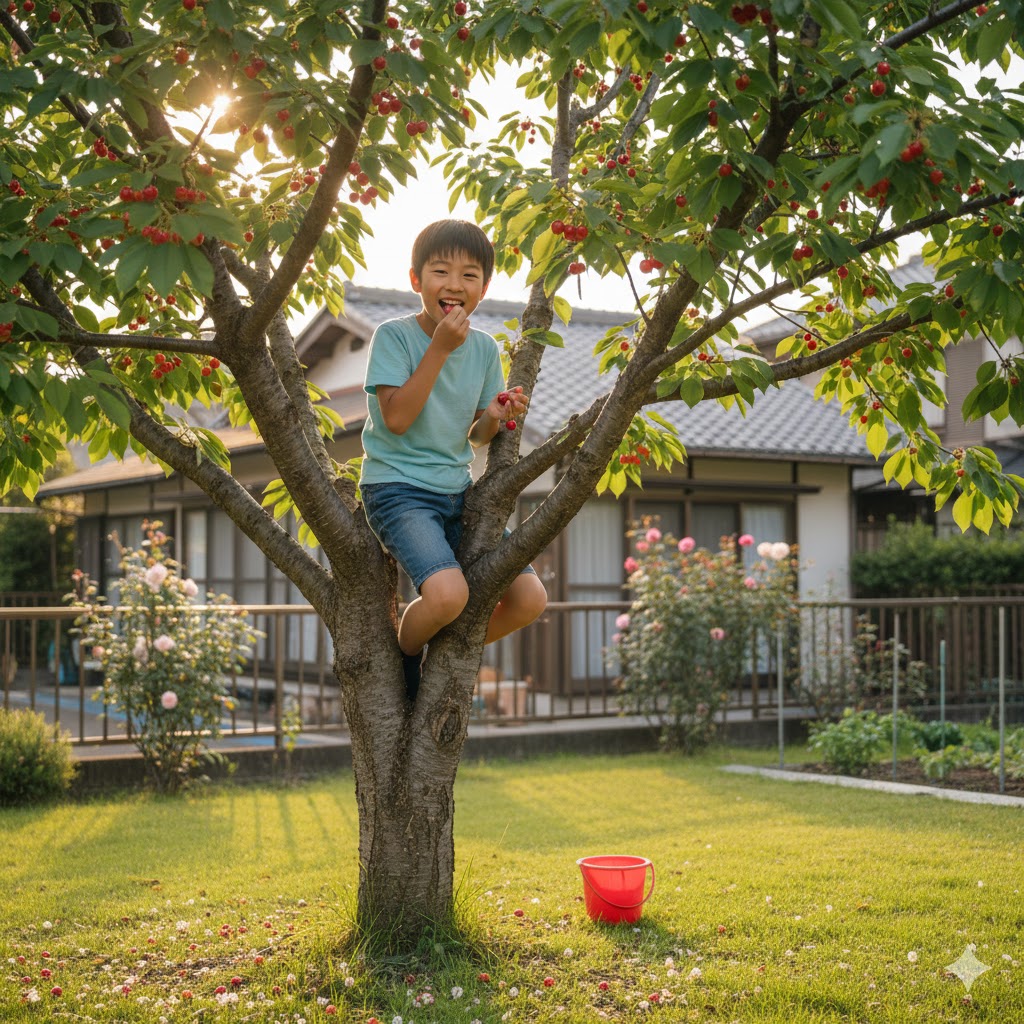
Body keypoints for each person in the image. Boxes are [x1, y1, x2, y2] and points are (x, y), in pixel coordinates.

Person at [359, 220, 548, 699]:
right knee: (448, 595)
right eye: (441, 271)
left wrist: (494, 413)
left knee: (529, 598)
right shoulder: (394, 337)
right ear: (416, 279)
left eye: (469, 275)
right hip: (397, 489)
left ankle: (444, 643)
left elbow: (477, 436)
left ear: (483, 289)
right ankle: (409, 644)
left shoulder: (484, 348)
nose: (454, 284)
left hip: (456, 492)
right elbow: (396, 419)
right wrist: (440, 348)